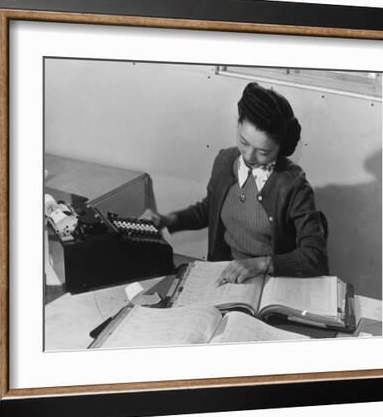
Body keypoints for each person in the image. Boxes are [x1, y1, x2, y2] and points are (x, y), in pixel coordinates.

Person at [141, 82, 328, 285]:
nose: (249, 156)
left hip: (272, 282)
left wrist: (261, 263)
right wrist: (167, 220)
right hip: (228, 274)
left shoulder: (293, 186)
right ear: (238, 125)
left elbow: (314, 257)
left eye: (263, 152)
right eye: (244, 142)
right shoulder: (224, 161)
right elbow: (209, 209)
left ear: (280, 149)